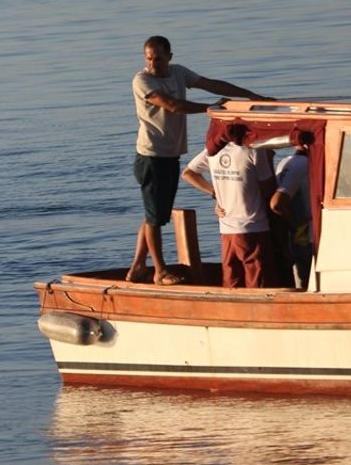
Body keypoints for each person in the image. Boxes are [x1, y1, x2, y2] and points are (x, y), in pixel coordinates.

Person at [126, 35, 271, 285]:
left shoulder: (178, 73)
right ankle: (159, 271)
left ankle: (138, 265)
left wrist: (250, 96)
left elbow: (211, 84)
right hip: (151, 156)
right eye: (149, 58)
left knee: (155, 213)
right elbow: (171, 105)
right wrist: (211, 108)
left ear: (169, 57)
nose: (153, 63)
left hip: (170, 155)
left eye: (158, 58)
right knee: (155, 216)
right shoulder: (142, 80)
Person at [181, 142, 277, 288]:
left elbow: (188, 173)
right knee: (259, 283)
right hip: (253, 226)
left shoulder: (213, 149)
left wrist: (216, 193)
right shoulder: (254, 150)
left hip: (227, 230)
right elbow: (268, 188)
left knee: (231, 281)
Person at [271, 145, 312, 288]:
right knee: (306, 276)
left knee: (300, 276)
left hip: (292, 231)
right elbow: (277, 203)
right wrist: (297, 222)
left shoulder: (284, 162)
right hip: (304, 231)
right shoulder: (303, 164)